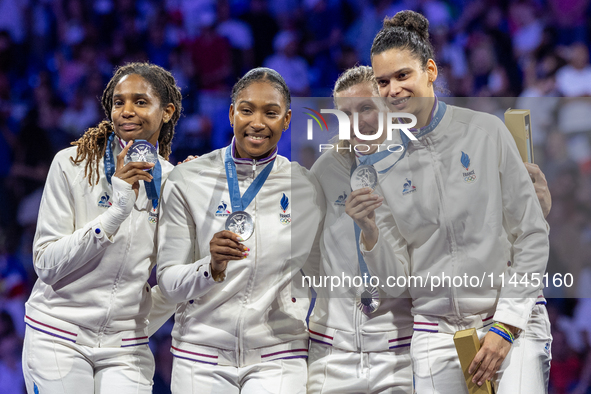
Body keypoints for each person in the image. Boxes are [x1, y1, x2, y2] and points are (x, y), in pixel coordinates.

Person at [351, 10, 551, 393]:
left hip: (511, 319)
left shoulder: (485, 132)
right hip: (435, 334)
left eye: (403, 75)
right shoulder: (378, 166)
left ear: (430, 70)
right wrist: (370, 233)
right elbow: (395, 282)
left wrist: (505, 326)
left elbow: (531, 235)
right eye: (382, 82)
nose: (393, 90)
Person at [156, 67, 324, 394]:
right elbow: (169, 282)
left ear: (287, 120)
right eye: (246, 110)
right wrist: (210, 267)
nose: (257, 123)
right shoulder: (188, 179)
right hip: (200, 356)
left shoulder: (307, 187)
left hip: (278, 355)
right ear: (232, 113)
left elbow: (325, 273)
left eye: (271, 113)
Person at [23, 62, 182, 394]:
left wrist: (136, 327)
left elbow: (174, 281)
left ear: (166, 111)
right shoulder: (71, 164)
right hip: (59, 335)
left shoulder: (175, 184)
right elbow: (46, 265)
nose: (126, 111)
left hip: (126, 348)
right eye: (119, 102)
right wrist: (115, 213)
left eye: (140, 102)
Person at [307, 65, 413, 393]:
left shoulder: (414, 169)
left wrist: (371, 233)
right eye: (345, 113)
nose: (355, 122)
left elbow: (404, 279)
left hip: (397, 353)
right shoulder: (326, 168)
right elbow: (309, 252)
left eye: (365, 108)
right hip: (331, 352)